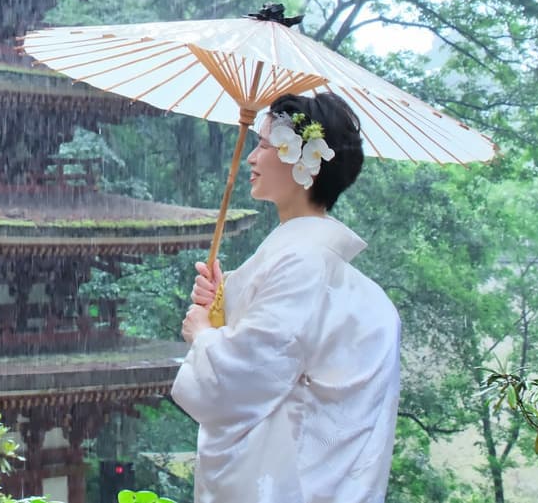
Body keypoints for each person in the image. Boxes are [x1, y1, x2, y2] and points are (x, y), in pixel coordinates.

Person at [172, 92, 401, 503]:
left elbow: (248, 376)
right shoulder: (309, 262)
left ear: (303, 162)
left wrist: (203, 333)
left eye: (263, 146)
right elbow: (276, 355)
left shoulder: (301, 263)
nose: (252, 159)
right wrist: (223, 307)